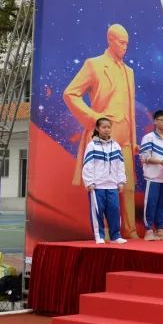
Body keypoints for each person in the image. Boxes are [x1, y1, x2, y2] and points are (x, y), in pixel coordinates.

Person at [64, 24, 139, 239]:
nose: (125, 47)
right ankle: (104, 231)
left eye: (127, 43)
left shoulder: (128, 71)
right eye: (121, 42)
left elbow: (130, 107)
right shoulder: (94, 65)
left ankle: (130, 229)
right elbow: (70, 93)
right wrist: (94, 118)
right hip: (104, 132)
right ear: (110, 40)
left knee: (128, 186)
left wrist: (133, 138)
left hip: (124, 135)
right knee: (103, 187)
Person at [83, 117, 127, 244]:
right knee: (98, 211)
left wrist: (121, 181)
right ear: (97, 128)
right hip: (97, 186)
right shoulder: (92, 146)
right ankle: (99, 236)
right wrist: (89, 182)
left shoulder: (116, 146)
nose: (107, 130)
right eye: (104, 127)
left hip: (112, 184)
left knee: (114, 210)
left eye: (108, 127)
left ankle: (115, 236)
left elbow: (120, 165)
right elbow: (87, 165)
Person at [139, 109, 163, 240]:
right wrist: (161, 162)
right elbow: (144, 157)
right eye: (162, 120)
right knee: (151, 203)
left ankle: (160, 229)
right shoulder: (148, 137)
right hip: (153, 177)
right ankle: (149, 230)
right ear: (155, 121)